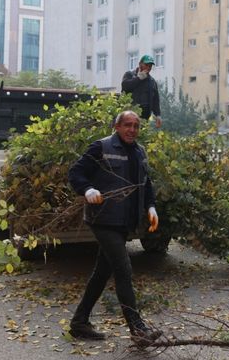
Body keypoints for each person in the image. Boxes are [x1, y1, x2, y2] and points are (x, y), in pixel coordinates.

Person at [67, 110, 163, 346]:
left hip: (124, 223)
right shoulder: (100, 147)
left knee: (102, 272)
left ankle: (79, 322)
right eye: (128, 125)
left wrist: (151, 207)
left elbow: (145, 183)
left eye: (136, 126)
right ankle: (138, 330)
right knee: (123, 269)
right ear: (117, 127)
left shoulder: (139, 152)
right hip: (102, 219)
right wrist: (87, 189)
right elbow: (75, 173)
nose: (132, 130)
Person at [121, 54, 162, 128]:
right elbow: (125, 86)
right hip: (129, 116)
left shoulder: (152, 82)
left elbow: (155, 101)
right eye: (146, 65)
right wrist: (138, 78)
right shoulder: (130, 75)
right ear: (140, 64)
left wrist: (158, 115)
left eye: (150, 66)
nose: (148, 68)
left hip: (144, 119)